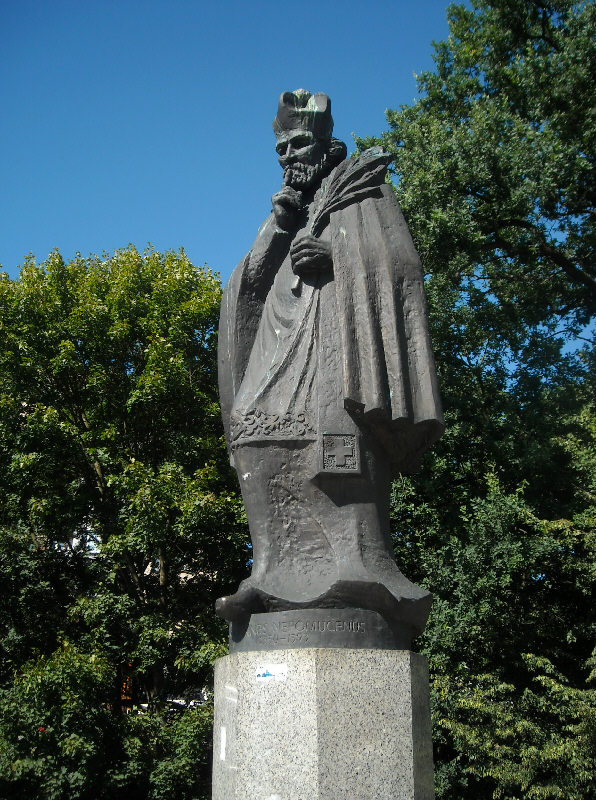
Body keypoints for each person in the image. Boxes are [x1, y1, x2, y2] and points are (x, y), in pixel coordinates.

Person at [217, 90, 443, 641]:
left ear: (324, 142)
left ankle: (358, 568)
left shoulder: (360, 190)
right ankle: (270, 571)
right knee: (254, 434)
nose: (289, 155)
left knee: (336, 449)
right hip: (281, 338)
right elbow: (246, 286)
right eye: (281, 148)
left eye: (298, 143)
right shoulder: (289, 207)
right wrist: (277, 226)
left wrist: (335, 257)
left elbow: (399, 265)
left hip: (337, 346)